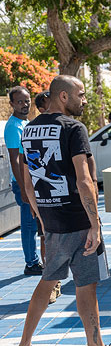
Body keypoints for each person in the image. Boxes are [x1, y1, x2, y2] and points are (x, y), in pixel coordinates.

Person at [10, 75, 111, 346]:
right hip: (78, 220)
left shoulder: (29, 130)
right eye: (80, 94)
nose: (84, 99)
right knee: (86, 288)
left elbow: (29, 184)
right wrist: (95, 224)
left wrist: (43, 219)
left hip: (52, 221)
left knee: (47, 283)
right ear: (63, 96)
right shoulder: (73, 128)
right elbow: (83, 179)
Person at [4, 86, 43, 276]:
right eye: (19, 101)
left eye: (26, 100)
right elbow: (15, 159)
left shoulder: (25, 123)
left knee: (33, 223)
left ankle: (34, 260)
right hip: (23, 184)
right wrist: (23, 187)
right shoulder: (13, 127)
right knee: (29, 224)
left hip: (31, 182)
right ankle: (31, 263)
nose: (24, 104)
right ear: (11, 103)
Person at [33, 89, 61, 304]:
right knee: (46, 237)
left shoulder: (64, 127)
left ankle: (55, 280)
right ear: (42, 109)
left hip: (61, 196)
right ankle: (52, 282)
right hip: (44, 195)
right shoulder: (31, 129)